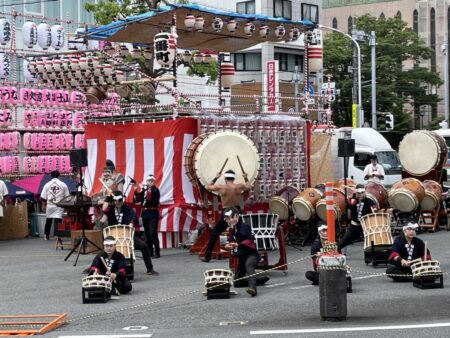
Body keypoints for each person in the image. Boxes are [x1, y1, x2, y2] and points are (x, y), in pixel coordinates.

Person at [101, 191, 159, 275]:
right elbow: (104, 208)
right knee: (105, 251)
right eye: (116, 200)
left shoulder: (126, 208)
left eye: (120, 200)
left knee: (144, 246)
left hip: (126, 236)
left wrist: (131, 223)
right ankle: (95, 267)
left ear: (122, 200)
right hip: (113, 236)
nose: (118, 202)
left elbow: (133, 216)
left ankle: (150, 269)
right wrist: (108, 197)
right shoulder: (111, 207)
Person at [202, 169, 252, 262]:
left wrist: (216, 177)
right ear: (234, 178)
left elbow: (208, 187)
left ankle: (207, 256)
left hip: (227, 211)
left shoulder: (221, 187)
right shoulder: (239, 186)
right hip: (236, 211)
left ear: (225, 178)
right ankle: (244, 253)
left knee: (215, 233)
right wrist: (245, 177)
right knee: (241, 232)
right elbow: (249, 187)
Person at [224, 207, 267, 297]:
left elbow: (251, 240)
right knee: (237, 282)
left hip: (252, 254)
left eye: (231, 217)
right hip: (242, 256)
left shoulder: (244, 227)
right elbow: (231, 241)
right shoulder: (231, 230)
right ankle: (259, 280)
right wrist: (228, 245)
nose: (230, 220)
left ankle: (253, 288)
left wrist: (238, 245)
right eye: (228, 218)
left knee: (249, 265)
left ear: (237, 216)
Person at [338, 184, 376, 252]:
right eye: (358, 193)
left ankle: (371, 255)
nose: (361, 195)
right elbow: (347, 208)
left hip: (365, 226)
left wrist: (374, 209)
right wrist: (350, 200)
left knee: (371, 243)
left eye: (362, 193)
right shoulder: (353, 201)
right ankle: (338, 253)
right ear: (356, 193)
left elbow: (373, 207)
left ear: (365, 193)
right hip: (354, 226)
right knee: (341, 243)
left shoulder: (368, 201)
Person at [133, 175, 161, 258]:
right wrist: (135, 190)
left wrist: (143, 189)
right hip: (145, 213)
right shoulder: (144, 190)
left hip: (153, 212)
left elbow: (149, 197)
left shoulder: (155, 190)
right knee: (147, 233)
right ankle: (150, 252)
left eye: (152, 181)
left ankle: (157, 252)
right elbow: (136, 200)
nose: (150, 182)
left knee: (153, 233)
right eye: (149, 181)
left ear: (154, 182)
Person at [40, 170, 70, 240]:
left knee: (48, 220)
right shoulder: (63, 184)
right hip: (60, 205)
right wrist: (66, 207)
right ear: (59, 176)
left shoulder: (47, 184)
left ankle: (46, 235)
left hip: (50, 205)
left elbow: (43, 197)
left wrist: (43, 206)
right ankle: (58, 235)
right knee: (58, 219)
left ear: (51, 176)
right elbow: (67, 197)